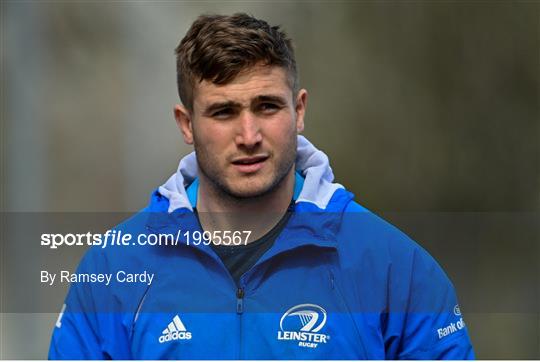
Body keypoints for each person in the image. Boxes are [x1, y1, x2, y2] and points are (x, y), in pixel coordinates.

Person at [49, 13, 474, 359]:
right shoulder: (112, 271)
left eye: (267, 106)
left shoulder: (394, 269)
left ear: (299, 109)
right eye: (223, 112)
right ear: (186, 124)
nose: (249, 134)